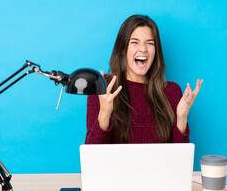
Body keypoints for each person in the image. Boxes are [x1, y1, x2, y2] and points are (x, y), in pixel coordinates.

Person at [85, 15, 203, 144]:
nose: (143, 49)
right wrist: (104, 114)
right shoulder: (103, 88)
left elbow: (180, 158)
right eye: (135, 42)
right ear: (123, 49)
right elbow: (93, 156)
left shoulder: (172, 91)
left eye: (150, 43)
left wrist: (181, 118)